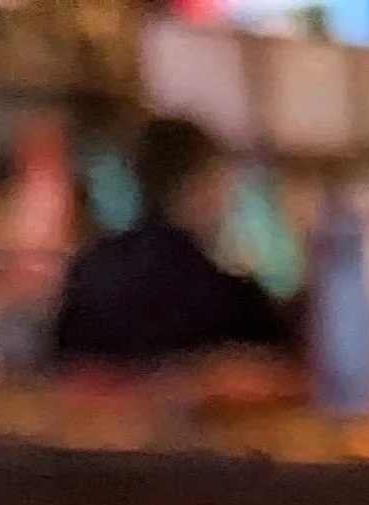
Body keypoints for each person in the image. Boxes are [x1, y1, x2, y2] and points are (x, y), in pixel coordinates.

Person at [54, 117, 294, 368]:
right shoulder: (226, 297)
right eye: (218, 181)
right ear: (196, 185)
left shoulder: (90, 271)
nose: (225, 199)